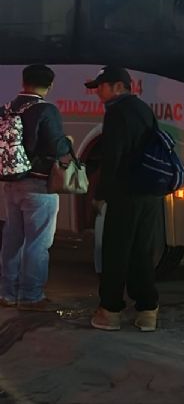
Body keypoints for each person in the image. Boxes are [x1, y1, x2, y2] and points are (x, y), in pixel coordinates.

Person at [86, 66, 163, 332]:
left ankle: (110, 311)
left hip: (125, 193)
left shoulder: (116, 112)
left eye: (101, 86)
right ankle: (147, 311)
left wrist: (100, 195)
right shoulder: (143, 109)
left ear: (118, 86)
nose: (98, 92)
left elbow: (112, 159)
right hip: (150, 193)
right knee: (142, 251)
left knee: (116, 252)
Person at [1, 65, 72, 311]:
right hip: (39, 186)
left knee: (12, 238)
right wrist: (68, 143)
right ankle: (31, 296)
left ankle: (7, 293)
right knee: (37, 242)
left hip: (11, 184)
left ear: (24, 82)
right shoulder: (46, 109)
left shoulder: (8, 107)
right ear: (50, 85)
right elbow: (56, 147)